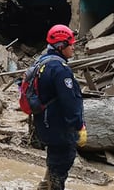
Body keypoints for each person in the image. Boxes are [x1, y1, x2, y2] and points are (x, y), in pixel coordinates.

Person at [33, 25, 87, 190]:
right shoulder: (60, 70)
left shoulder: (42, 62)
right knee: (62, 163)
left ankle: (44, 186)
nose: (74, 47)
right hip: (59, 127)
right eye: (71, 44)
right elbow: (70, 102)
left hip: (45, 123)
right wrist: (79, 126)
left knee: (54, 160)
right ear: (60, 46)